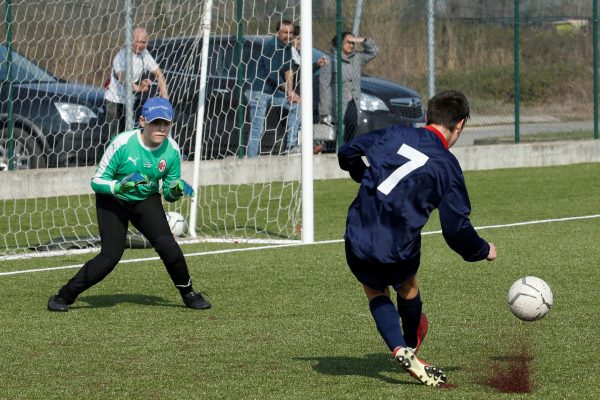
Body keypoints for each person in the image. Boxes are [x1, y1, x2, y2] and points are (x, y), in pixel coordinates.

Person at [337, 90, 496, 387]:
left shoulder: (395, 133)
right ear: (459, 125)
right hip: (398, 241)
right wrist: (482, 249)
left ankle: (399, 348)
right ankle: (409, 344)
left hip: (358, 228)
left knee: (375, 290)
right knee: (408, 289)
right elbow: (456, 229)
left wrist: (362, 175)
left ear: (427, 118)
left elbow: (347, 152)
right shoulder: (447, 166)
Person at [47, 97, 211, 312]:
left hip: (145, 198)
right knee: (110, 257)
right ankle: (63, 296)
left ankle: (189, 294)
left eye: (166, 123)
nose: (161, 128)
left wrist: (177, 189)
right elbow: (97, 181)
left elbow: (169, 194)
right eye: (155, 122)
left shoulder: (172, 150)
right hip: (113, 199)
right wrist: (120, 187)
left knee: (168, 246)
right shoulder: (122, 144)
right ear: (143, 121)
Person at [245, 20, 300, 157]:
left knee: (296, 106)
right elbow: (273, 74)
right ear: (277, 33)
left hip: (271, 92)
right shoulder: (272, 46)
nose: (288, 35)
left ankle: (291, 147)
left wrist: (291, 92)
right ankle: (251, 160)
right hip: (257, 91)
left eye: (291, 33)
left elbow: (288, 70)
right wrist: (288, 91)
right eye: (285, 32)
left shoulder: (287, 47)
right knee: (257, 128)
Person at [105, 27, 169, 137]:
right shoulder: (121, 56)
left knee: (128, 135)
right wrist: (138, 88)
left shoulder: (145, 54)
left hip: (130, 100)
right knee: (115, 137)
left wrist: (165, 100)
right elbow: (122, 77)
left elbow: (159, 75)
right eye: (137, 41)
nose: (139, 45)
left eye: (143, 42)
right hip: (115, 100)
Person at [319, 32, 378, 143]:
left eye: (353, 43)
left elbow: (373, 52)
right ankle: (333, 149)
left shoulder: (357, 58)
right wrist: (324, 111)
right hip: (336, 103)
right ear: (340, 44)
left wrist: (363, 40)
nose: (351, 45)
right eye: (348, 43)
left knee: (352, 125)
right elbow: (324, 87)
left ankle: (346, 149)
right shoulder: (329, 61)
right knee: (337, 131)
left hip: (352, 102)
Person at [290, 25, 328, 154]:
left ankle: (312, 145)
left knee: (305, 119)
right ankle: (292, 146)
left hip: (302, 93)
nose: (299, 42)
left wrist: (316, 65)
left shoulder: (300, 54)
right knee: (296, 120)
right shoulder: (288, 54)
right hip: (291, 93)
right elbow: (294, 73)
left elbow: (302, 72)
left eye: (301, 39)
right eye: (297, 38)